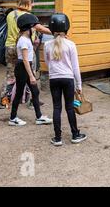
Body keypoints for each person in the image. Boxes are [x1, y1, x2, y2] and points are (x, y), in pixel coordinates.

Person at [0, 0, 51, 109]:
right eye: (32, 3)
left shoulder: (10, 14)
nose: (33, 5)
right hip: (25, 48)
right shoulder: (29, 16)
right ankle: (33, 101)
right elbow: (41, 29)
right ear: (28, 3)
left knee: (10, 75)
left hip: (10, 47)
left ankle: (4, 101)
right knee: (31, 73)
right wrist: (56, 32)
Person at [44, 13, 87, 146]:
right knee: (69, 107)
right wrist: (79, 84)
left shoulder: (47, 45)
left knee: (57, 107)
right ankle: (75, 134)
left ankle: (57, 138)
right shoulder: (71, 44)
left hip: (54, 79)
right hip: (68, 79)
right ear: (66, 28)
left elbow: (47, 62)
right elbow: (75, 67)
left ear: (51, 28)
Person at [9, 13, 52, 126]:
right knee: (19, 93)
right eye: (33, 27)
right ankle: (13, 118)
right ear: (28, 28)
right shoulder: (23, 40)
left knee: (35, 91)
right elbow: (24, 60)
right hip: (23, 68)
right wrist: (32, 76)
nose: (35, 29)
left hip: (25, 68)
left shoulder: (26, 39)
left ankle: (39, 117)